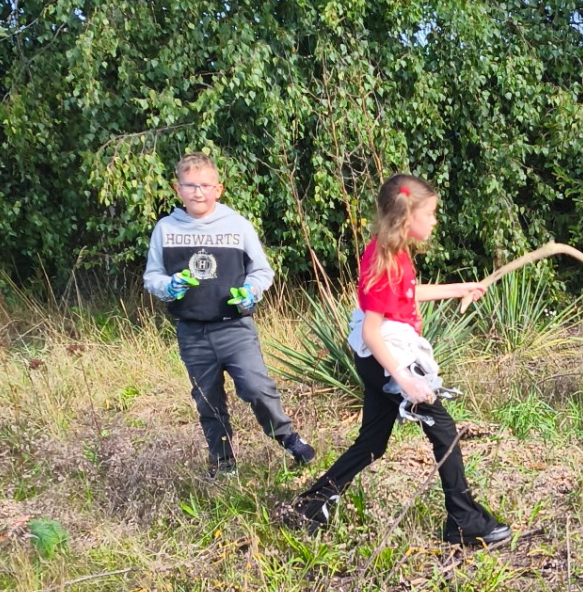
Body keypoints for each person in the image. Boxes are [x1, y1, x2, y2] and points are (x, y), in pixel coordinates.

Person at [291, 173, 509, 545]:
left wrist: (461, 288)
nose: (435, 221)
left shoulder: (391, 251)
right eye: (431, 214)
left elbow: (406, 293)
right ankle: (463, 521)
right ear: (408, 217)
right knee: (444, 431)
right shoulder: (384, 262)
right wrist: (404, 380)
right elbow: (371, 332)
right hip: (387, 361)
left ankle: (311, 504)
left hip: (379, 361)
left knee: (373, 443)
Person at [144, 154, 315, 477]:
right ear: (177, 189)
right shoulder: (165, 229)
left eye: (205, 185)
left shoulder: (237, 225)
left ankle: (288, 438)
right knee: (207, 399)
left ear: (218, 189)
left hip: (235, 328)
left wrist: (252, 290)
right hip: (192, 331)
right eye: (190, 186)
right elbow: (152, 277)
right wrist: (169, 286)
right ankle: (223, 461)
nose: (198, 192)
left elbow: (262, 271)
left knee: (256, 387)